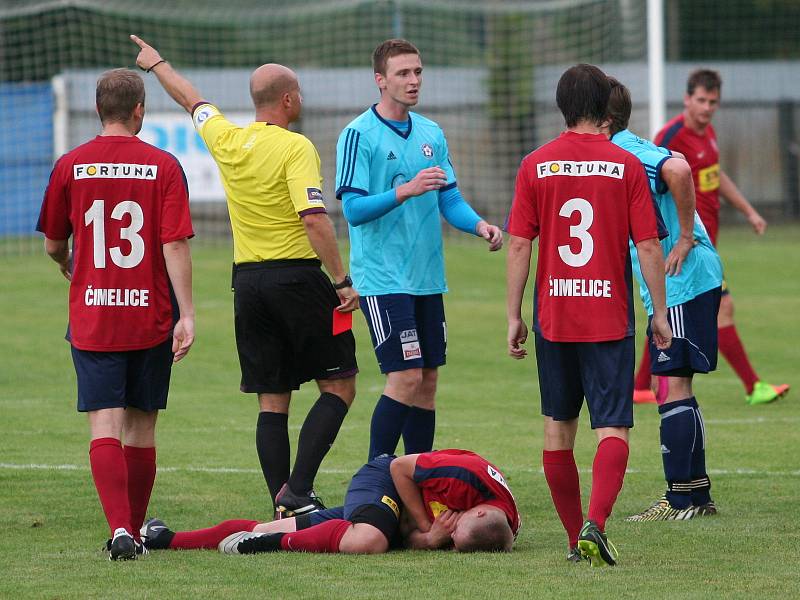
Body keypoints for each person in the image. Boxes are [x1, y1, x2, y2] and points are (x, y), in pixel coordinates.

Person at [130, 35, 359, 516]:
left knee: (271, 401)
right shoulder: (296, 148)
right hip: (298, 280)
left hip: (248, 286)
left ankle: (283, 506)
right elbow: (313, 218)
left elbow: (192, 99)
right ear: (289, 99)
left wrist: (157, 64)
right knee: (339, 386)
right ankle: (298, 489)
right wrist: (341, 280)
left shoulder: (228, 139)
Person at [505, 64, 672, 567]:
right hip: (609, 315)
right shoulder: (625, 165)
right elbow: (647, 246)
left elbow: (518, 244)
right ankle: (595, 525)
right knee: (612, 429)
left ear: (561, 105)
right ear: (604, 107)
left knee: (558, 429)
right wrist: (660, 314)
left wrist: (513, 314)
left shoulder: (536, 163)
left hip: (554, 314)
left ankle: (575, 535)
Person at [36, 68, 195, 560]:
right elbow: (173, 242)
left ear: (98, 110)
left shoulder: (71, 164)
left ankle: (122, 530)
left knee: (104, 422)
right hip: (149, 314)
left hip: (94, 314)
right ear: (140, 111)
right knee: (142, 426)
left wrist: (68, 264)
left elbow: (53, 243)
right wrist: (186, 313)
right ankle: (136, 531)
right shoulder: (164, 165)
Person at [335, 39, 504, 462]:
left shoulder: (431, 133)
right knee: (406, 376)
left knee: (427, 380)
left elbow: (449, 200)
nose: (413, 81)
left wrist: (479, 224)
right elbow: (353, 210)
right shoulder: (359, 134)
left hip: (426, 277)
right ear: (380, 80)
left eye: (418, 72)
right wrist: (406, 190)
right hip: (384, 278)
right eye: (403, 74)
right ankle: (376, 476)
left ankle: (416, 477)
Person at [631, 68, 789, 406]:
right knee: (721, 308)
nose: (706, 108)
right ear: (687, 99)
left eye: (712, 102)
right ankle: (754, 385)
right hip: (680, 244)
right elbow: (650, 183)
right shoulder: (669, 137)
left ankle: (640, 385)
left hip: (703, 244)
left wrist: (748, 210)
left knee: (665, 311)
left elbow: (718, 177)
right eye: (701, 100)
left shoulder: (709, 134)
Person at [606, 77, 722, 521]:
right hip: (682, 281)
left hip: (682, 279)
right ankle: (695, 494)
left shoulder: (631, 152)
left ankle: (679, 500)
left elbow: (678, 170)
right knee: (674, 384)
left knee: (671, 385)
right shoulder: (623, 150)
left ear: (603, 118)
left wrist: (686, 236)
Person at [139, 449, 519, 554]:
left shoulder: (498, 524)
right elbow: (402, 467)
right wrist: (425, 529)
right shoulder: (464, 474)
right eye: (456, 527)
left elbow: (447, 537)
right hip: (385, 478)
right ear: (481, 510)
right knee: (368, 540)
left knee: (273, 523)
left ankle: (163, 538)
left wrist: (437, 538)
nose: (451, 532)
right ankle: (265, 547)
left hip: (395, 511)